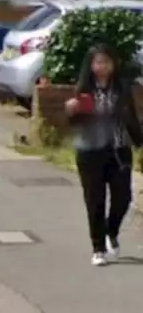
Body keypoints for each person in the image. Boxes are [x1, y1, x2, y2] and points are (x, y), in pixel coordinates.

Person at [65, 44, 143, 266]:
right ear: (90, 66)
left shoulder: (122, 88)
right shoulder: (83, 90)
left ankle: (111, 230)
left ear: (114, 64)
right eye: (98, 62)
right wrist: (71, 111)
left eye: (106, 62)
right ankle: (98, 248)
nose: (102, 67)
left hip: (118, 149)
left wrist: (139, 142)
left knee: (123, 198)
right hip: (90, 151)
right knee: (95, 200)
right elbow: (74, 124)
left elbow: (131, 118)